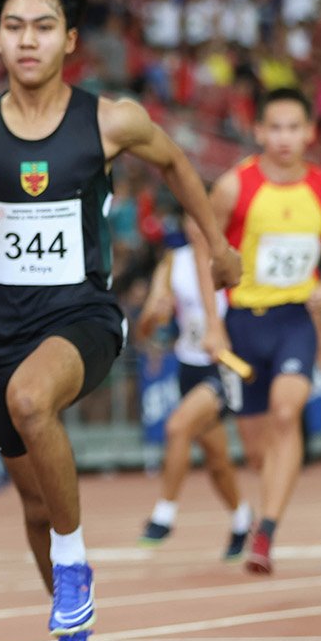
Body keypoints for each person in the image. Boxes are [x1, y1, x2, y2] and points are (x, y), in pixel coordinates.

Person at [0, 0, 238, 641]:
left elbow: (177, 162)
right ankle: (70, 627)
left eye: (44, 27)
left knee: (35, 401)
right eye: (14, 27)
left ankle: (75, 567)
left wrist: (215, 242)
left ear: (69, 41)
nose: (27, 41)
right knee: (32, 505)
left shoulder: (109, 119)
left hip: (82, 315)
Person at [204, 86, 321, 576]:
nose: (285, 138)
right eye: (276, 128)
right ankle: (264, 515)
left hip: (295, 320)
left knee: (288, 413)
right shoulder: (233, 187)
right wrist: (212, 324)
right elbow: (204, 248)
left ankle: (266, 531)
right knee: (255, 450)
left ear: (310, 133)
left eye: (295, 128)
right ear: (259, 131)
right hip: (244, 322)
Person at [134, 239, 251, 558]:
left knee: (177, 427)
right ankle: (242, 520)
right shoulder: (174, 261)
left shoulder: (237, 252)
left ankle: (164, 515)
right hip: (189, 368)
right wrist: (156, 315)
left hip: (223, 368)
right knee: (217, 462)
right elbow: (143, 331)